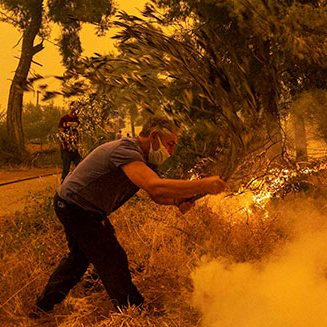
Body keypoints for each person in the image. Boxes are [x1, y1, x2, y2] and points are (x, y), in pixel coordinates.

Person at [32, 116, 226, 315]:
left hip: (78, 206)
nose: (171, 152)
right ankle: (133, 311)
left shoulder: (145, 159)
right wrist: (203, 185)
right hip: (77, 207)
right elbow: (154, 186)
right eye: (170, 145)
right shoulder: (126, 151)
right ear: (154, 136)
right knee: (112, 257)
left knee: (79, 259)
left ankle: (42, 307)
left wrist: (176, 201)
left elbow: (156, 195)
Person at [57, 110, 82, 181]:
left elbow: (79, 130)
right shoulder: (64, 119)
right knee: (66, 169)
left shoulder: (77, 119)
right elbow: (61, 132)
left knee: (80, 165)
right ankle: (63, 184)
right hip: (66, 148)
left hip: (74, 148)